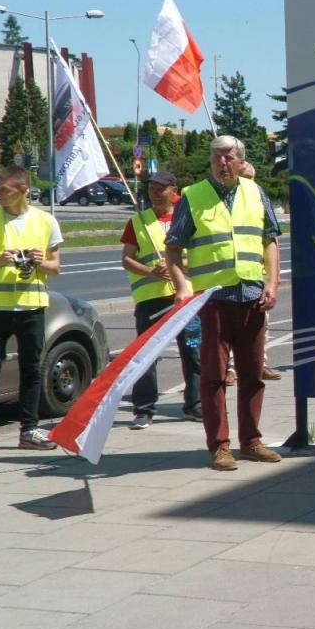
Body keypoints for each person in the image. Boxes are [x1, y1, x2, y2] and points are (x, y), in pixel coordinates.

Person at [165, 135, 284, 469]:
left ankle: (251, 441)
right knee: (214, 377)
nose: (222, 163)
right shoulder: (193, 196)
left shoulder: (254, 192)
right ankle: (219, 446)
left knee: (252, 375)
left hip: (252, 298)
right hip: (213, 301)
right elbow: (173, 247)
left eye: (229, 157)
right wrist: (181, 286)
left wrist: (272, 283)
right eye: (217, 157)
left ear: (240, 159)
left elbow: (270, 242)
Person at [0, 165, 62, 459]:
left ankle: (28, 431)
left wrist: (39, 261)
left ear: (23, 190)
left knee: (32, 369)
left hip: (31, 306)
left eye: (5, 190)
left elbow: (55, 267)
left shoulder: (46, 221)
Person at [121, 171, 199, 429]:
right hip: (151, 299)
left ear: (173, 190)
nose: (155, 192)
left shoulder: (186, 217)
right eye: (151, 187)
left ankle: (195, 404)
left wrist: (179, 264)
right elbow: (127, 259)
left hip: (185, 296)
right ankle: (143, 410)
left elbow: (200, 254)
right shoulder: (138, 221)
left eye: (161, 188)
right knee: (147, 355)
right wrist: (151, 271)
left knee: (192, 350)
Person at [224, 160, 283, 386]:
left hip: (254, 279)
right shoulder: (228, 204)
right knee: (230, 332)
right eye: (244, 178)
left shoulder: (257, 201)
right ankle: (231, 369)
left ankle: (261, 363)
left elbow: (271, 243)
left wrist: (272, 281)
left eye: (251, 179)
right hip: (228, 281)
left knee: (261, 326)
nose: (248, 183)